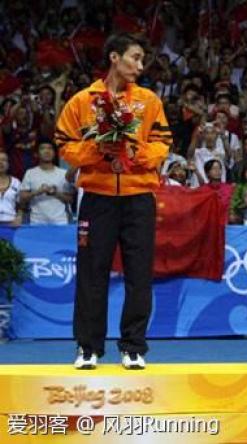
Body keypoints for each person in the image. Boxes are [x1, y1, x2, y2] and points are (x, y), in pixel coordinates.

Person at [55, 33, 170, 370]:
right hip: (97, 199)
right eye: (135, 57)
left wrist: (136, 153)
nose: (140, 66)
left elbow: (163, 142)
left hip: (139, 198)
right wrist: (96, 150)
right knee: (92, 273)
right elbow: (64, 143)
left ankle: (133, 347)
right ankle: (88, 347)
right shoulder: (82, 101)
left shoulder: (148, 101)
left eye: (142, 60)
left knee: (139, 274)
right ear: (114, 57)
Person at [19, 139, 74, 225]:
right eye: (43, 148)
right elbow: (22, 198)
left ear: (54, 153)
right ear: (37, 154)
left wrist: (55, 193)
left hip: (60, 221)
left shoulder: (64, 173)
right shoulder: (30, 173)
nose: (47, 151)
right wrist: (38, 192)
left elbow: (70, 199)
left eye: (50, 148)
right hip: (36, 222)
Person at [0, 152, 22, 226]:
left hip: (11, 224)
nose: (1, 162)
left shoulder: (16, 182)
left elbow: (21, 205)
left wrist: (19, 217)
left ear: (8, 164)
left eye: (4, 160)